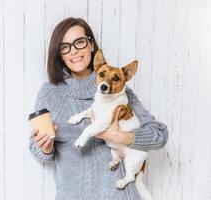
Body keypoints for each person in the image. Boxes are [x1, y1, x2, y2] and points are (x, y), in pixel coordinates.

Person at [29, 17, 168, 200]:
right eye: (65, 46)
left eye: (80, 42)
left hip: (118, 195)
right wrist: (45, 147)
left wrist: (123, 137)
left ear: (91, 45)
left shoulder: (119, 89)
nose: (74, 51)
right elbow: (36, 148)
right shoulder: (50, 93)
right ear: (59, 53)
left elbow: (160, 134)